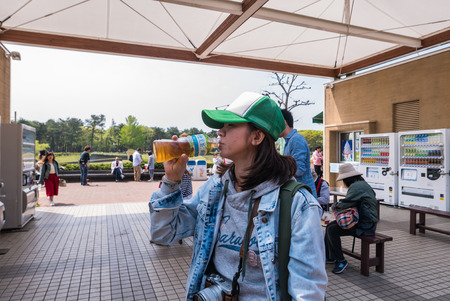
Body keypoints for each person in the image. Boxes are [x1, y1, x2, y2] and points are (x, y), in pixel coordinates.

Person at [149, 92, 327, 300]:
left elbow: (308, 293)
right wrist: (171, 181)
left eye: (230, 126)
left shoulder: (298, 205)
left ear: (257, 136)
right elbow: (163, 234)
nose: (219, 132)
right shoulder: (215, 188)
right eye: (221, 127)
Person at [324, 163, 378, 274]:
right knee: (330, 226)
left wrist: (333, 206)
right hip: (366, 221)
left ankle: (340, 260)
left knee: (331, 229)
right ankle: (330, 256)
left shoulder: (356, 187)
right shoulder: (362, 184)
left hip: (365, 225)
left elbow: (344, 204)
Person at [279, 109, 317, 197]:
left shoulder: (296, 139)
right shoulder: (289, 141)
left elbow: (298, 170)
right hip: (298, 193)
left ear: (284, 122)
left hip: (304, 196)